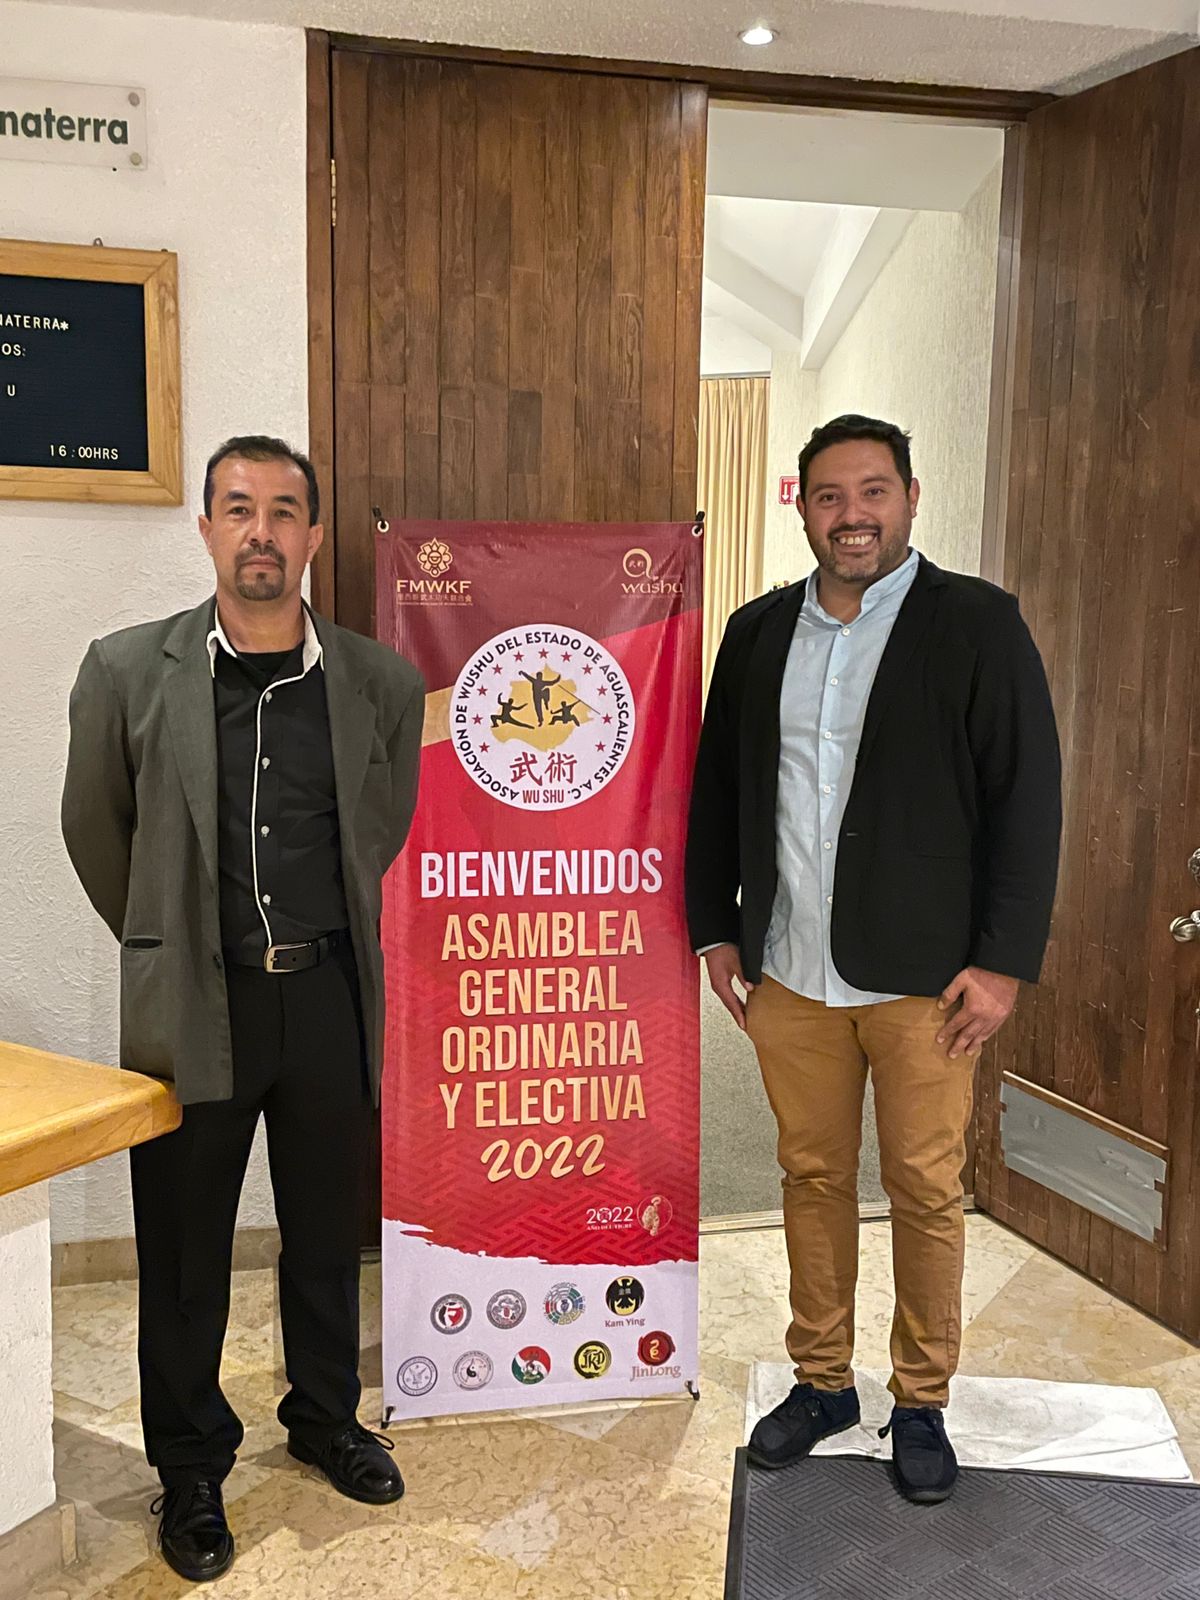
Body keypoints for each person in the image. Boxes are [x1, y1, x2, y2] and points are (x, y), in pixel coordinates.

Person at [61, 436, 425, 1581]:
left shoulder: (380, 683)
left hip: (326, 996)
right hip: (195, 1000)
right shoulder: (127, 670)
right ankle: (189, 1465)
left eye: (282, 510)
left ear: (313, 535)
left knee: (323, 1229)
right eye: (237, 508)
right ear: (208, 528)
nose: (260, 530)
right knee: (183, 1249)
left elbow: (378, 832)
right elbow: (96, 831)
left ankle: (323, 1417)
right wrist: (165, 937)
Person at [687, 415, 1061, 1504]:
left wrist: (1003, 961)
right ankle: (821, 1382)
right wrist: (716, 925)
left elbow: (1027, 798)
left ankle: (921, 1398)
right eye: (829, 496)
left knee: (924, 1188)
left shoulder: (977, 623)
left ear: (909, 496)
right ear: (802, 507)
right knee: (809, 1177)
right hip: (789, 972)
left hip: (925, 981)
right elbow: (718, 788)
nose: (852, 515)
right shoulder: (758, 632)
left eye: (872, 491)